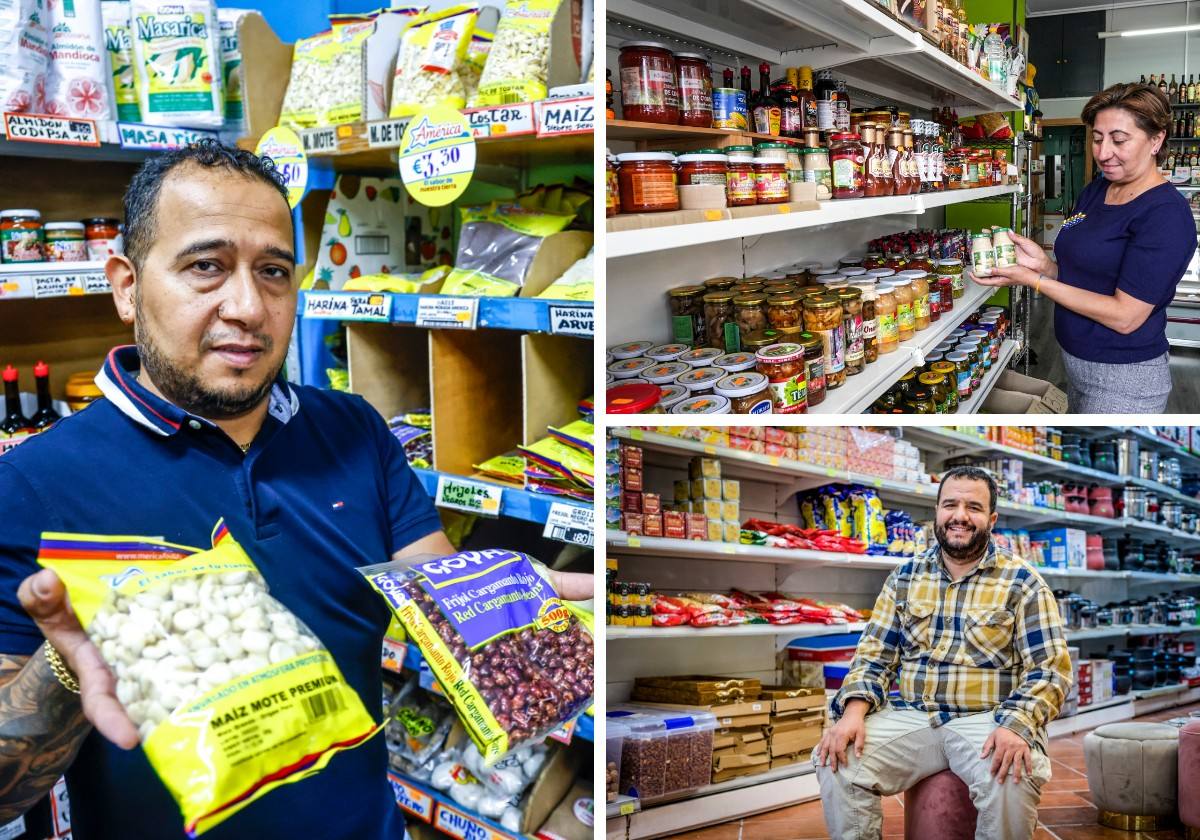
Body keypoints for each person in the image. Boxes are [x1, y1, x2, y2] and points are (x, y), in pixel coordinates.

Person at [0, 142, 591, 839]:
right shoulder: (32, 484)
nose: (248, 306)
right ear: (127, 285)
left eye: (273, 271)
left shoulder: (353, 430)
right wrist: (69, 666)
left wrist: (507, 605)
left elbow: (434, 581)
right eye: (206, 267)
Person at [813, 466, 1072, 840]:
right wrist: (852, 712)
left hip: (988, 719)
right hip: (914, 717)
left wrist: (1016, 725)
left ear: (992, 519)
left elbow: (1050, 670)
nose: (960, 516)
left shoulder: (1023, 582)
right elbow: (873, 656)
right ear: (937, 512)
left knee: (1015, 773)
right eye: (950, 504)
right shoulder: (904, 577)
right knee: (837, 761)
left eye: (973, 507)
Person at [973, 82, 1195, 413]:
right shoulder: (1096, 190)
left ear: (1156, 140)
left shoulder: (1165, 215)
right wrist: (1044, 266)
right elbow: (1090, 277)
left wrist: (1034, 281)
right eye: (1097, 138)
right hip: (1076, 364)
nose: (1103, 153)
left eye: (1119, 140)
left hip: (1125, 379)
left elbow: (1125, 317)